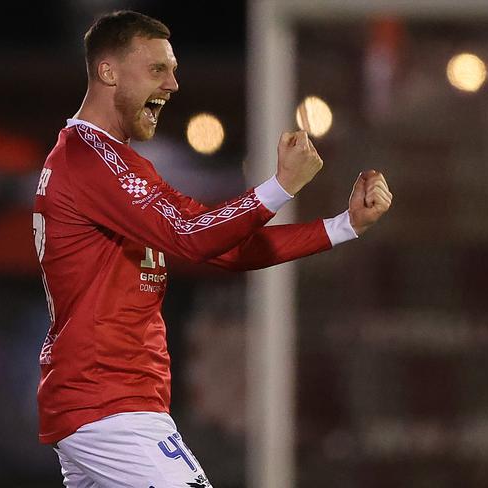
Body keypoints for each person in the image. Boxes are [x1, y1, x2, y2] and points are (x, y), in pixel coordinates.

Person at [32, 10, 392, 488]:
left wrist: (344, 225)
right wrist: (280, 187)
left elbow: (222, 244)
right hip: (108, 405)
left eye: (174, 68)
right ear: (108, 71)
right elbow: (194, 236)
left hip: (111, 405)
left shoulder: (116, 166)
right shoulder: (89, 160)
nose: (174, 83)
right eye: (158, 68)